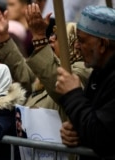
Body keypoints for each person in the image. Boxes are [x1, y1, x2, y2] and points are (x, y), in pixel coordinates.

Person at [55, 5, 115, 159]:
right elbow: (93, 123)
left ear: (102, 44)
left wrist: (73, 95)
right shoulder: (98, 72)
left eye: (81, 40)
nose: (76, 46)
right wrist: (75, 133)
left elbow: (102, 137)